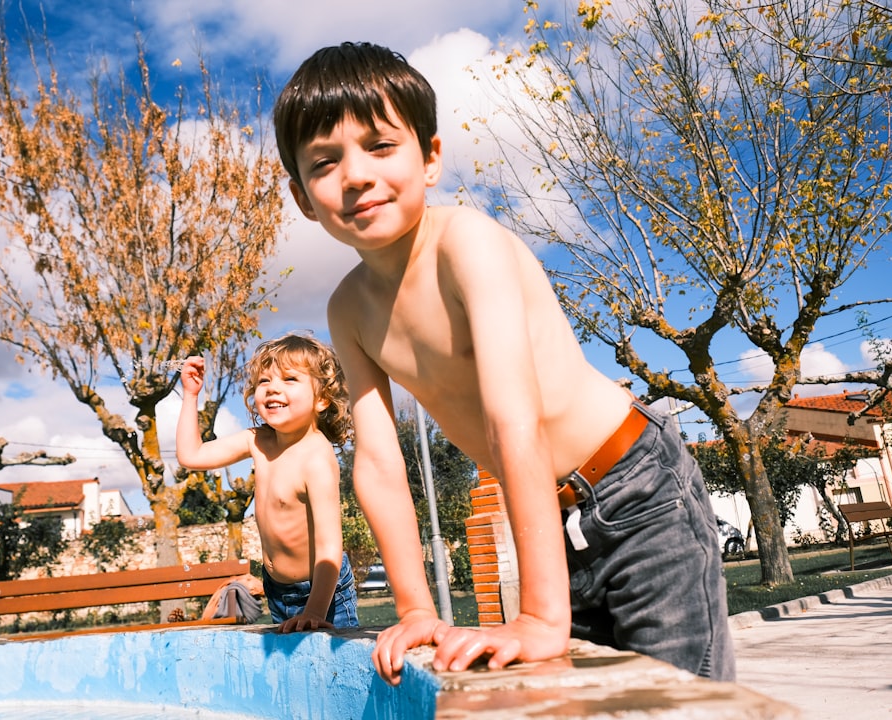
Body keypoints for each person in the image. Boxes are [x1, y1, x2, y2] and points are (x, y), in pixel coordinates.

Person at [272, 42, 735, 684]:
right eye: (325, 162)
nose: (355, 175)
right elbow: (377, 463)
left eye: (381, 147)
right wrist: (414, 609)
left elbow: (512, 419)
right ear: (301, 196)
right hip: (554, 515)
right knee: (592, 698)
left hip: (638, 488)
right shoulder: (348, 308)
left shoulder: (466, 245)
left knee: (677, 696)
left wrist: (541, 615)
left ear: (430, 158)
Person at [176, 333, 359, 632]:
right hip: (277, 591)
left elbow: (329, 545)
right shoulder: (258, 441)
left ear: (322, 398)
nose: (273, 388)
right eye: (264, 381)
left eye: (289, 379)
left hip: (323, 593)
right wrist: (190, 395)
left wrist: (314, 610)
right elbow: (191, 455)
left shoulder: (316, 457)